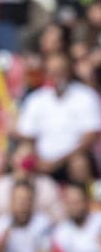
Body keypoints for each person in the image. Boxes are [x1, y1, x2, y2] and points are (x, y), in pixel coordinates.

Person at [15, 52, 101, 180]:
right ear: (47, 73)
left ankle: (85, 196)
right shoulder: (36, 99)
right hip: (42, 158)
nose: (57, 76)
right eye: (53, 72)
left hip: (72, 157)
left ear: (69, 72)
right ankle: (25, 193)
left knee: (79, 163)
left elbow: (90, 136)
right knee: (22, 155)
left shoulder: (86, 96)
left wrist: (60, 161)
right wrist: (36, 157)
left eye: (61, 71)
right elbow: (27, 134)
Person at [0, 139, 64, 226]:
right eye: (21, 156)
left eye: (30, 156)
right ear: (12, 159)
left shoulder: (47, 185)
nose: (26, 160)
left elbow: (58, 218)